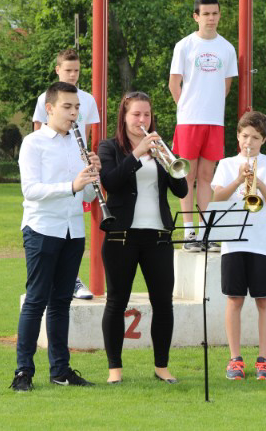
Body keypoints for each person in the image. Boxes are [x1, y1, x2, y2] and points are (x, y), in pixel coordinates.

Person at [10, 82, 100, 392]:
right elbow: (31, 190)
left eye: (77, 108)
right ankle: (23, 371)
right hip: (42, 228)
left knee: (62, 302)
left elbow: (87, 194)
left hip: (73, 230)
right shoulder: (33, 143)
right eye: (67, 107)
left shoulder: (78, 144)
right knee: (36, 300)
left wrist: (93, 176)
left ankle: (60, 370)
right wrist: (72, 185)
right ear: (49, 109)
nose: (74, 113)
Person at [98, 92, 188, 385]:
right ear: (124, 117)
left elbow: (182, 190)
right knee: (116, 302)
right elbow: (110, 182)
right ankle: (114, 369)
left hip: (158, 235)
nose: (142, 120)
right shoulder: (109, 147)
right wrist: (137, 154)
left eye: (146, 114)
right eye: (136, 114)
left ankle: (162, 367)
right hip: (121, 236)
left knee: (163, 303)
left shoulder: (160, 147)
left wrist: (167, 159)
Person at [212, 111, 266, 380]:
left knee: (264, 300)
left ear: (263, 140)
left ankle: (264, 359)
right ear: (238, 136)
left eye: (255, 138)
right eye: (245, 136)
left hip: (262, 243)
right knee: (234, 299)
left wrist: (258, 180)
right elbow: (218, 199)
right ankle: (235, 359)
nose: (249, 142)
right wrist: (238, 179)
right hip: (233, 243)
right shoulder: (226, 164)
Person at [169, 0, 238, 252]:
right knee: (187, 175)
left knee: (207, 176)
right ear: (196, 17)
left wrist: (210, 107)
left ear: (220, 15)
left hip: (214, 122)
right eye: (206, 14)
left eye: (215, 13)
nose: (211, 18)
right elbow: (174, 84)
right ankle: (189, 233)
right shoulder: (184, 46)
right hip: (189, 121)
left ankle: (206, 233)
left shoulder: (227, 48)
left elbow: (226, 86)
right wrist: (187, 108)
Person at [32, 48, 100, 299]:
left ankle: (73, 278)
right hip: (54, 169)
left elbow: (88, 136)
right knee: (53, 226)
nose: (73, 75)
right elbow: (38, 132)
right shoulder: (45, 98)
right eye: (68, 70)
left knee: (75, 225)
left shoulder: (88, 99)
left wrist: (88, 166)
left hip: (77, 166)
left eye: (77, 71)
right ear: (58, 70)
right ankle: (59, 279)